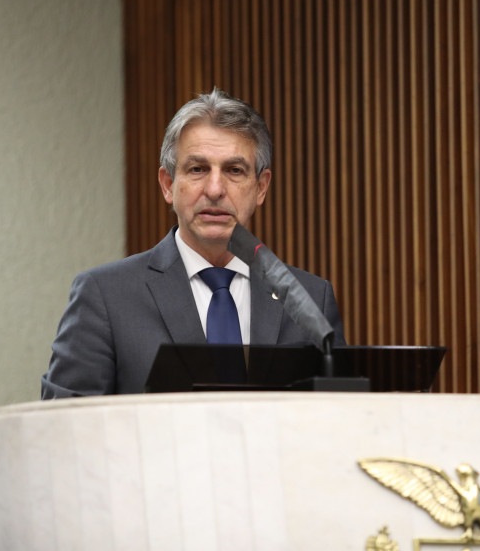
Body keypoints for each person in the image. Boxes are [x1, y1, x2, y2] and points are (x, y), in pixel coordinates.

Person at [41, 89, 346, 398]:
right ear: (168, 185)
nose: (214, 189)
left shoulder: (309, 298)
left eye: (234, 170)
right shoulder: (105, 296)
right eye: (198, 169)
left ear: (261, 187)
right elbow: (63, 430)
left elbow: (338, 422)